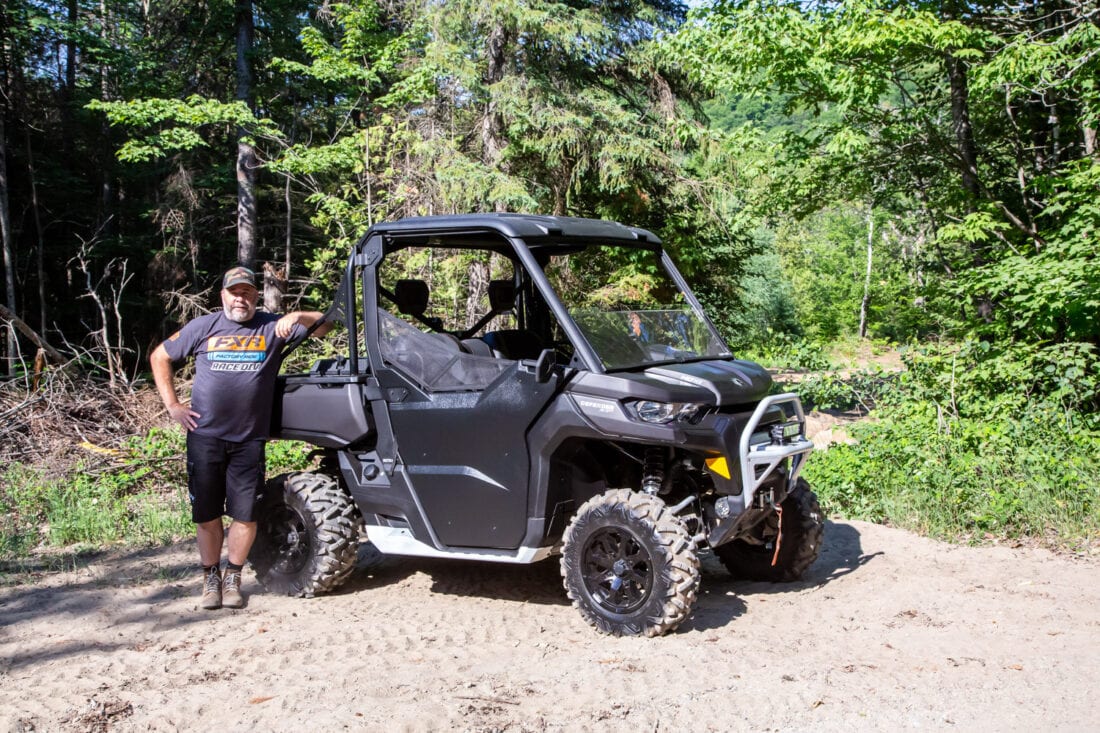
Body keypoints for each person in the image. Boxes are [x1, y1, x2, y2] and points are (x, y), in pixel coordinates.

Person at [150, 265, 332, 610]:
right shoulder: (204, 327)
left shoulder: (271, 326)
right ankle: (210, 579)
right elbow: (160, 356)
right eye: (234, 292)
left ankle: (233, 576)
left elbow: (327, 325)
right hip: (205, 436)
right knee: (206, 514)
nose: (241, 299)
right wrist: (172, 405)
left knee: (246, 515)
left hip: (249, 440)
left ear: (255, 296)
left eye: (247, 292)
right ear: (223, 296)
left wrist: (297, 314)